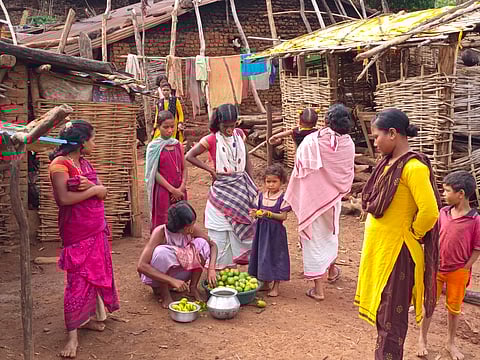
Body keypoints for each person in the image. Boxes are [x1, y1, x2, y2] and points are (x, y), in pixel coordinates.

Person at [355, 108, 441, 360]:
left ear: (393, 133)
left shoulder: (413, 168)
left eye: (376, 136)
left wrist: (413, 232)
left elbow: (430, 211)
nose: (375, 142)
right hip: (382, 251)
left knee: (392, 320)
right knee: (384, 317)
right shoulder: (388, 163)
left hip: (398, 253)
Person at [48, 120, 119, 358]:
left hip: (95, 228)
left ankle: (87, 319)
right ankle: (71, 337)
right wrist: (94, 191)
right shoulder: (60, 164)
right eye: (92, 139)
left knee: (94, 275)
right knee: (77, 282)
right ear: (81, 143)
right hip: (77, 233)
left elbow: (104, 190)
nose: (94, 143)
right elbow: (64, 199)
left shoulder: (83, 162)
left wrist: (97, 189)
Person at [285, 103, 355, 301]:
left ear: (326, 122)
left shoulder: (311, 141)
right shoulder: (348, 143)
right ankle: (331, 271)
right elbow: (346, 171)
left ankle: (318, 289)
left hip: (312, 198)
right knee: (330, 233)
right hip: (333, 198)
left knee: (313, 238)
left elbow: (300, 168)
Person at [185, 103, 258, 269]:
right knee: (219, 231)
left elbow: (246, 160)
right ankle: (218, 268)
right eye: (226, 126)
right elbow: (190, 155)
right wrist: (210, 170)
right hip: (221, 190)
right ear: (218, 124)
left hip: (241, 188)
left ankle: (234, 265)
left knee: (241, 231)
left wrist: (251, 184)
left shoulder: (240, 135)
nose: (230, 130)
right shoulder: (210, 139)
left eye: (232, 126)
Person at [417, 170, 480, 360]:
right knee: (428, 304)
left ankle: (450, 343)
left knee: (454, 309)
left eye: (447, 191)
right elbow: (432, 236)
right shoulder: (443, 213)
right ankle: (422, 339)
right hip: (436, 268)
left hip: (458, 271)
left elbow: (477, 248)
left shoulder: (475, 220)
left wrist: (466, 267)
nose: (443, 195)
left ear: (460, 194)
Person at [137, 201, 218, 306]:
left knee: (203, 243)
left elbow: (213, 245)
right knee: (161, 253)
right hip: (161, 276)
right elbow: (141, 266)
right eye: (190, 225)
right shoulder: (161, 233)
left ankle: (193, 287)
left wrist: (211, 269)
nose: (192, 228)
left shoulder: (192, 230)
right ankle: (165, 294)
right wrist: (171, 280)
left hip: (182, 272)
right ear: (181, 227)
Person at [248, 163, 291, 297]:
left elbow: (283, 216)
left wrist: (269, 214)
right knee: (262, 255)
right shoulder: (261, 196)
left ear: (281, 182)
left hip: (275, 233)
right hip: (261, 232)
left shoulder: (283, 198)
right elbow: (255, 211)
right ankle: (265, 282)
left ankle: (276, 285)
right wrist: (255, 213)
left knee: (276, 256)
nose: (271, 185)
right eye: (268, 181)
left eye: (274, 182)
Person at [145, 110, 187, 232]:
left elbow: (184, 168)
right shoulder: (153, 147)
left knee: (182, 220)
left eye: (172, 127)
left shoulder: (178, 144)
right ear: (158, 127)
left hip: (180, 190)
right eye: (165, 127)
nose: (170, 130)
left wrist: (181, 188)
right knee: (164, 221)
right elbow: (154, 173)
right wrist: (172, 190)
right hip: (164, 191)